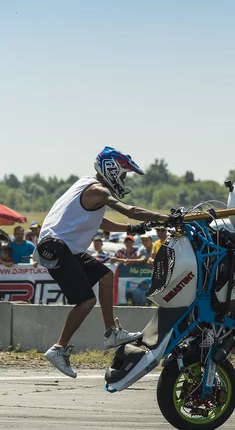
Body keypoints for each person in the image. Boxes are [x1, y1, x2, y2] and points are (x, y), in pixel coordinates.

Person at [36, 146, 168, 378]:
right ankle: (58, 349)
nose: (125, 179)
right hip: (56, 249)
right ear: (112, 170)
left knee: (106, 276)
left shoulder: (87, 185)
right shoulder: (98, 191)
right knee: (86, 301)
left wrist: (131, 229)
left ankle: (111, 333)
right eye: (124, 174)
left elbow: (98, 221)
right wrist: (163, 219)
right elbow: (129, 210)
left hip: (65, 248)